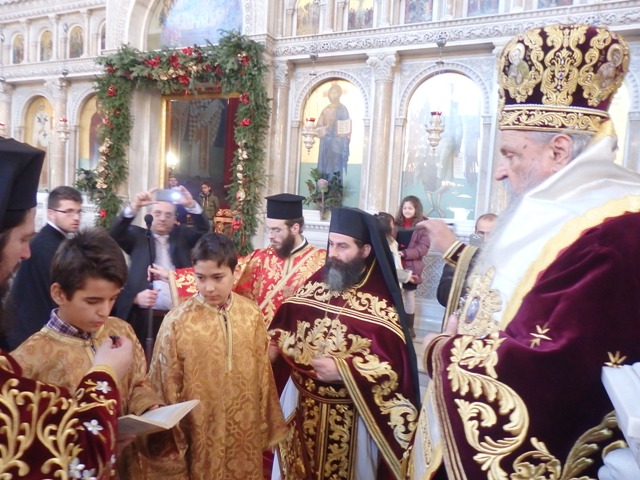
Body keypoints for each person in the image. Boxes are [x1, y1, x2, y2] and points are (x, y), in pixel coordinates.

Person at [409, 23, 640, 480]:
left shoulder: (615, 231)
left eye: (510, 154)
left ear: (558, 150)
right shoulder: (556, 207)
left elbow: (553, 366)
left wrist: (440, 349)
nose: (499, 171)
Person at [0, 136, 133, 478]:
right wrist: (104, 375)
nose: (26, 253)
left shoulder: (118, 332)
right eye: (22, 239)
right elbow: (72, 455)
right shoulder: (30, 357)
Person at [269, 207, 420, 480]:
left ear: (365, 250)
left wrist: (345, 371)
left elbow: (395, 370)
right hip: (299, 406)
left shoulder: (382, 305)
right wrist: (274, 342)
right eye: (331, 244)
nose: (333, 254)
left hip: (352, 417)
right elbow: (286, 319)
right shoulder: (317, 284)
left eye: (343, 246)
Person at [11, 228, 163, 478]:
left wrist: (148, 408)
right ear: (59, 294)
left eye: (113, 299)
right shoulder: (28, 360)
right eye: (93, 301)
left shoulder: (120, 331)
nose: (104, 311)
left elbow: (138, 383)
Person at [147, 233, 287, 479]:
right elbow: (164, 382)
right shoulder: (178, 321)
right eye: (200, 278)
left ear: (235, 273)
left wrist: (265, 423)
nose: (209, 287)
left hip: (244, 430)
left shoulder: (250, 315)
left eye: (218, 277)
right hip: (199, 429)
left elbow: (263, 375)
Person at [109, 187, 209, 351]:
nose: (162, 218)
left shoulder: (182, 235)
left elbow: (203, 230)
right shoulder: (138, 237)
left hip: (178, 317)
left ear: (175, 218)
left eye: (168, 215)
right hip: (143, 317)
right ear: (149, 215)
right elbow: (114, 233)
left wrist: (191, 205)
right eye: (158, 213)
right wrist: (135, 206)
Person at [8, 185, 84, 349]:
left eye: (78, 212)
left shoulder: (54, 241)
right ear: (51, 213)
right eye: (69, 211)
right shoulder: (49, 246)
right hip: (29, 335)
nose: (76, 217)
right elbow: (59, 296)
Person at [234, 193, 325, 326]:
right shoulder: (260, 258)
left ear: (295, 228)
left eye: (276, 230)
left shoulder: (321, 262)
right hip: (261, 336)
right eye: (269, 230)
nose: (270, 236)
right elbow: (229, 277)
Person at [435, 212, 497, 321]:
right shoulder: (461, 256)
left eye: (491, 234)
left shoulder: (505, 262)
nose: (485, 239)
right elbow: (443, 297)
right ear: (475, 233)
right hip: (459, 321)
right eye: (481, 234)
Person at [394, 195, 430, 338]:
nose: (407, 210)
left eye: (410, 208)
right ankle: (395, 324)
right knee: (395, 294)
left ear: (416, 209)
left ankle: (409, 327)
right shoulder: (396, 223)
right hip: (396, 264)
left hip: (411, 266)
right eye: (404, 208)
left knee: (409, 294)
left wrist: (404, 253)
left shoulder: (423, 226)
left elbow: (423, 248)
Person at [315, 82, 351, 181]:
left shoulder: (343, 109)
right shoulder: (325, 110)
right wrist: (325, 129)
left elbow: (346, 127)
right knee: (325, 166)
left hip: (337, 144)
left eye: (335, 93)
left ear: (339, 94)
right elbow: (318, 127)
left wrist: (341, 134)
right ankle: (323, 188)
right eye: (331, 93)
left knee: (336, 167)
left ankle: (335, 188)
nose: (333, 95)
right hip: (325, 143)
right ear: (329, 94)